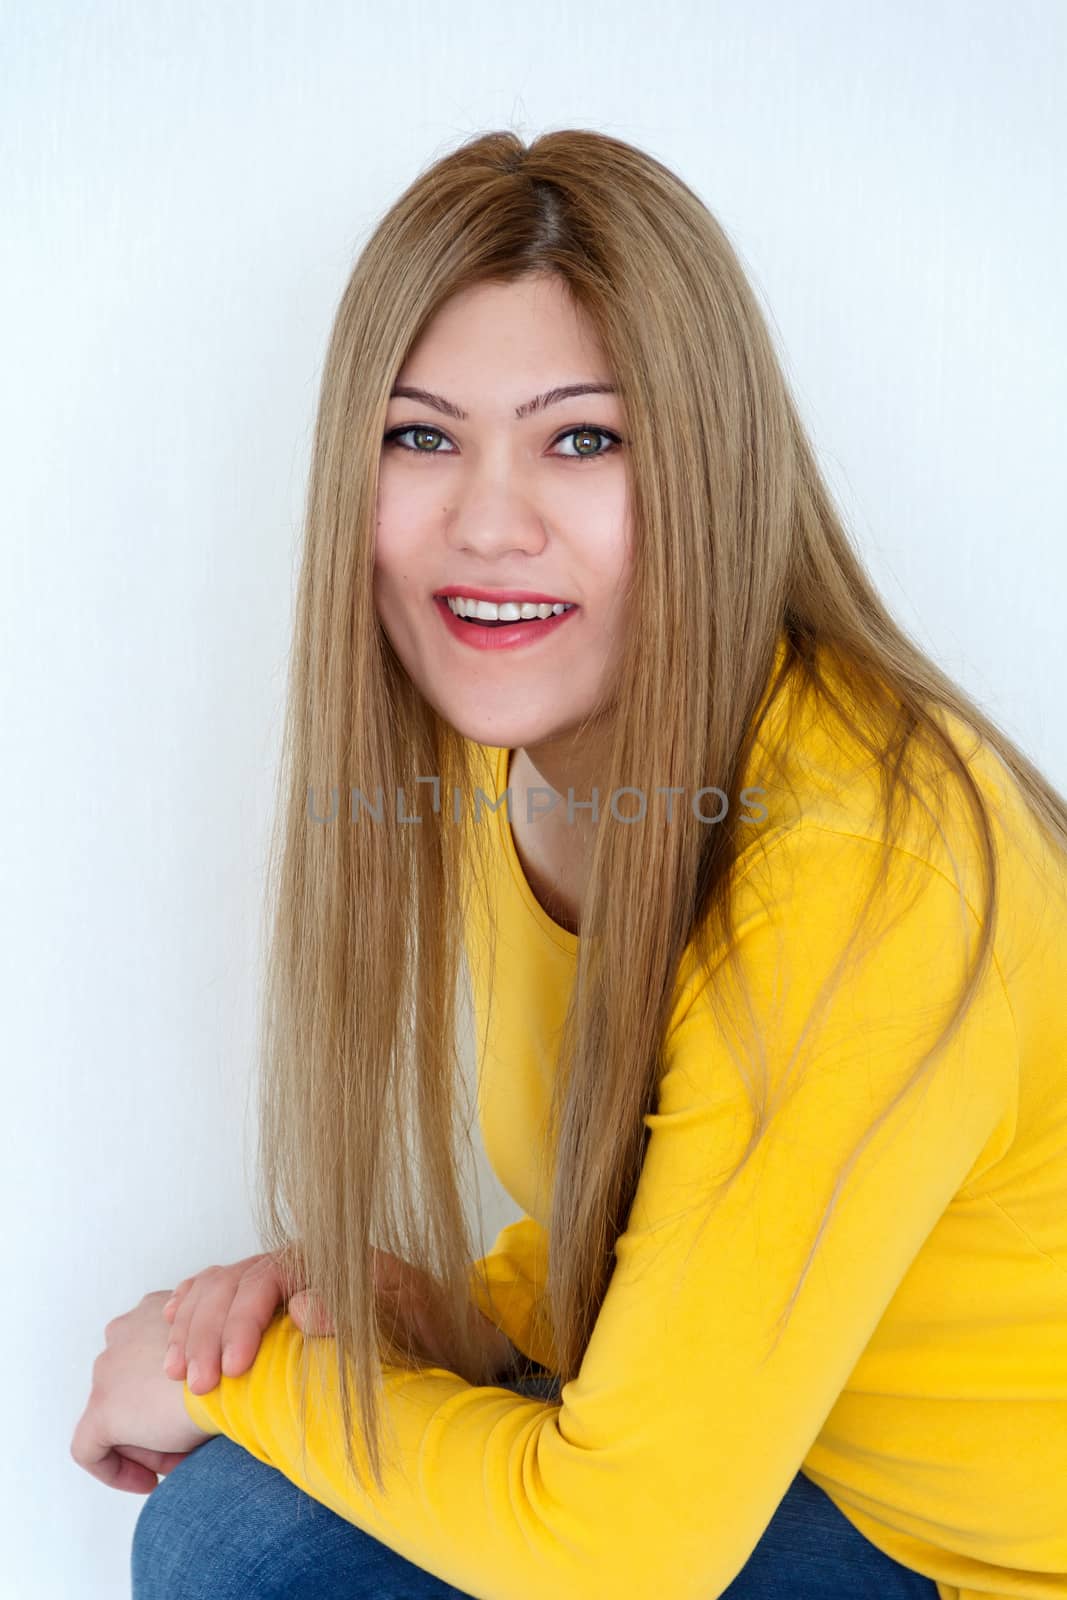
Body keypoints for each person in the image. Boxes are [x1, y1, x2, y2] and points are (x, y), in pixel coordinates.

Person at [71, 128, 1067, 1600]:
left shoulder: (861, 876)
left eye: (582, 439)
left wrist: (233, 1385)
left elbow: (627, 1556)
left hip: (977, 1552)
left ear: (710, 477)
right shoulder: (523, 743)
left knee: (249, 1557)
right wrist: (407, 1317)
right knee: (239, 1534)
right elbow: (667, 1212)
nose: (487, 522)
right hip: (770, 1448)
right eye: (422, 436)